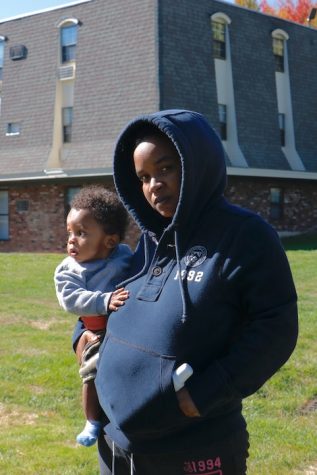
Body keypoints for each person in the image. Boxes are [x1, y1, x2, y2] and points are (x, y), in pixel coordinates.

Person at [74, 110, 298, 474]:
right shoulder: (148, 242)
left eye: (165, 169)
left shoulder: (244, 235)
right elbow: (109, 296)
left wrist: (203, 395)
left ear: (197, 163)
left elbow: (276, 327)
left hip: (193, 451)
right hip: (116, 449)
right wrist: (82, 337)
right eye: (143, 177)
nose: (153, 185)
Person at [55, 185, 132, 447]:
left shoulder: (124, 255)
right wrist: (104, 301)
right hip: (95, 329)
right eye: (70, 233)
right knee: (92, 367)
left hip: (124, 326)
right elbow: (70, 299)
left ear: (109, 241)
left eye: (81, 233)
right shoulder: (69, 270)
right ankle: (92, 420)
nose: (72, 240)